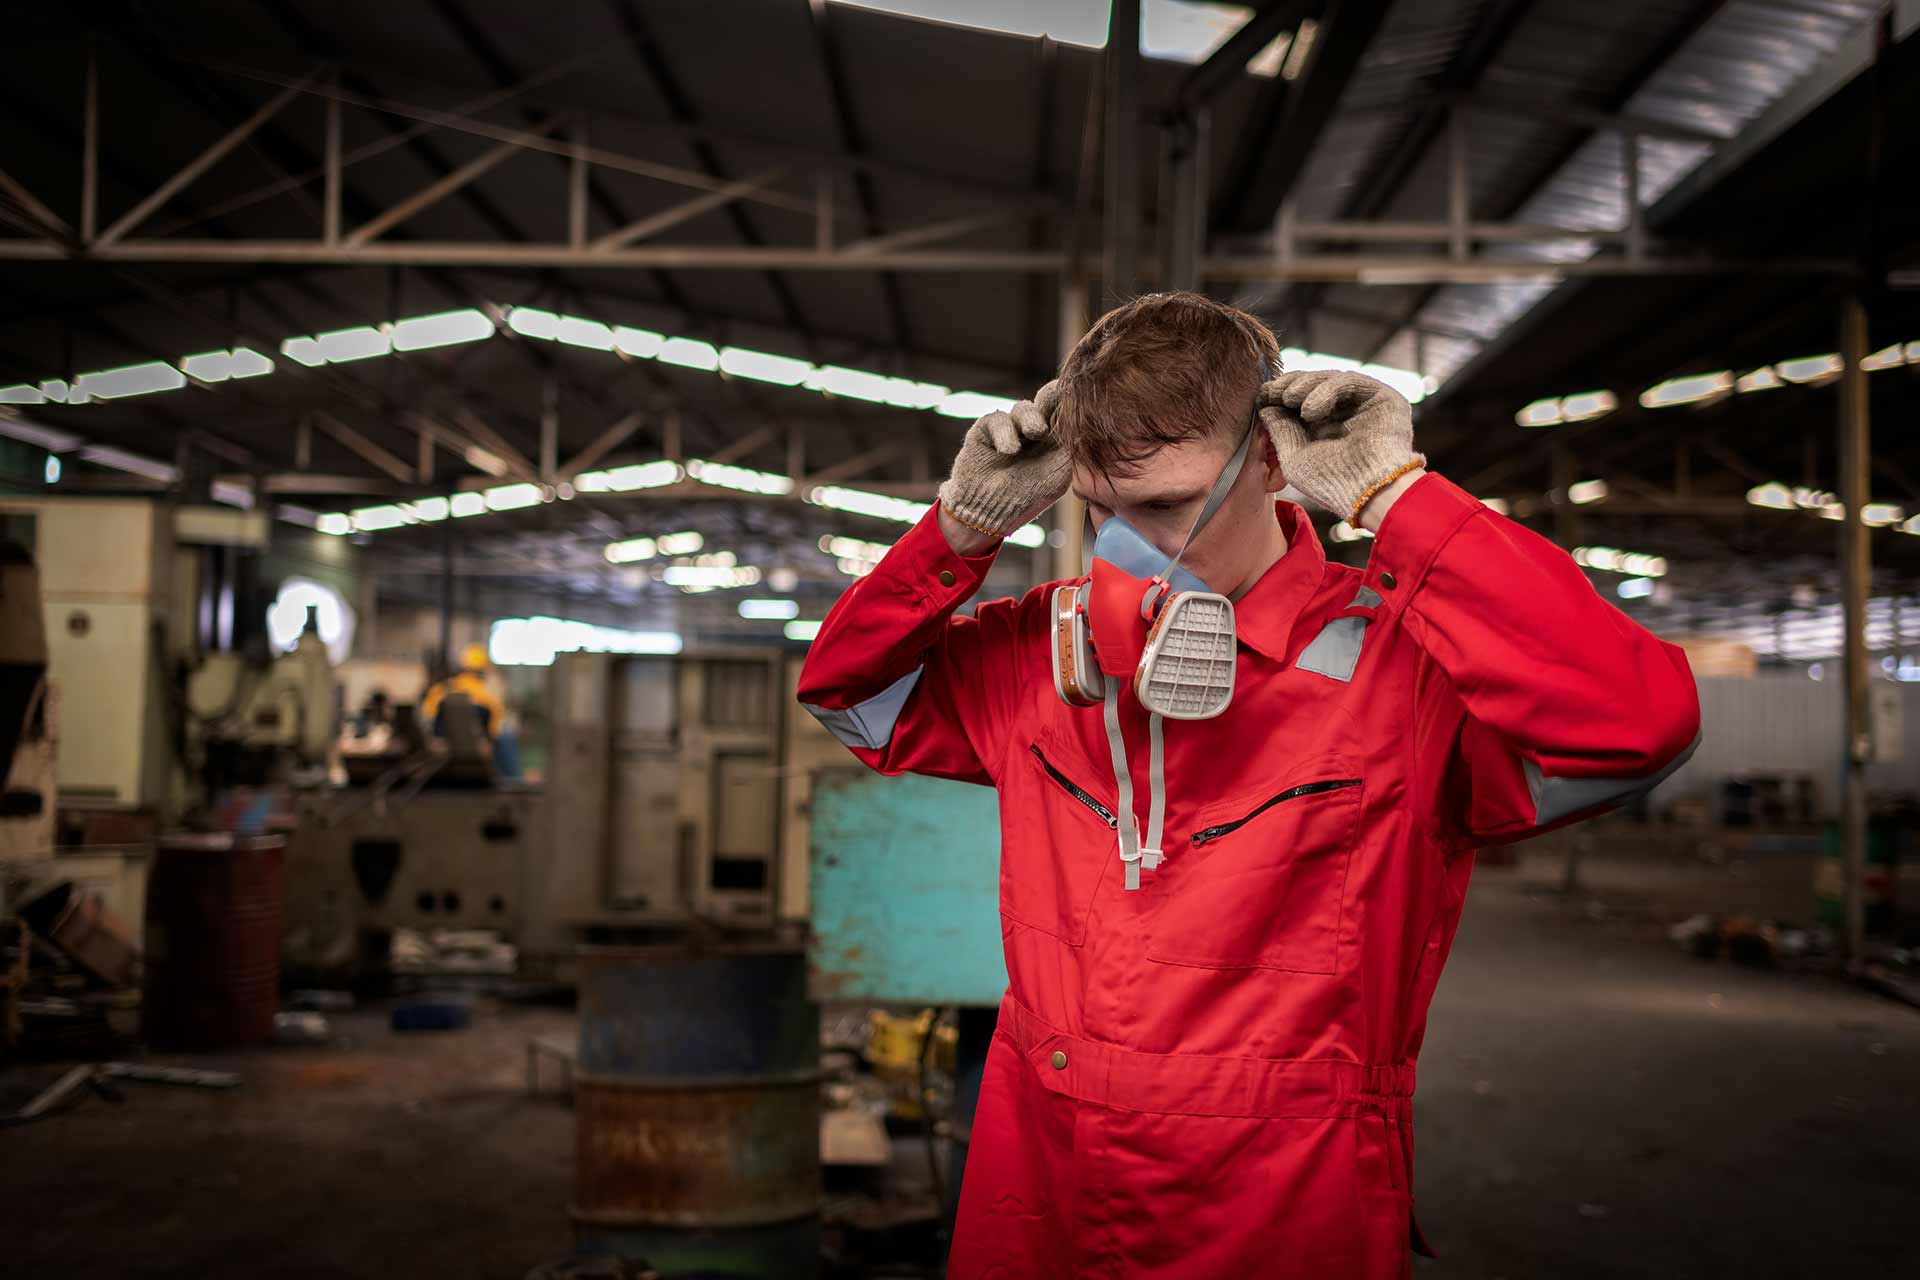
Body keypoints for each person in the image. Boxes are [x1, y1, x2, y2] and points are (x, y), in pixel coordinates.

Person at [796, 292, 1700, 1278]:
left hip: (1280, 1202)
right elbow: (850, 696)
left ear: (1272, 465)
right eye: (1103, 511)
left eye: (1169, 507)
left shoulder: (1405, 672)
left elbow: (1636, 727)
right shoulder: (1040, 656)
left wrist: (1399, 499)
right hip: (1039, 1182)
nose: (1127, 551)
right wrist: (957, 533)